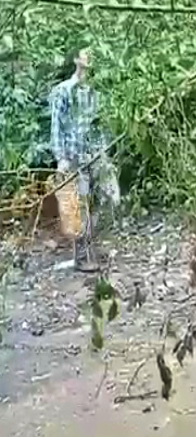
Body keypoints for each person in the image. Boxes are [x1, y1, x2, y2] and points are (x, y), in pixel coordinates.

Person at [49, 47, 120, 272]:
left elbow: (103, 125)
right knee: (78, 204)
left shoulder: (97, 92)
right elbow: (56, 126)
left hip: (96, 154)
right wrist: (61, 158)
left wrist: (105, 152)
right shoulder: (64, 91)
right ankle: (82, 256)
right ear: (76, 59)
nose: (89, 58)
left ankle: (93, 246)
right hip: (73, 156)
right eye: (85, 54)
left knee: (108, 198)